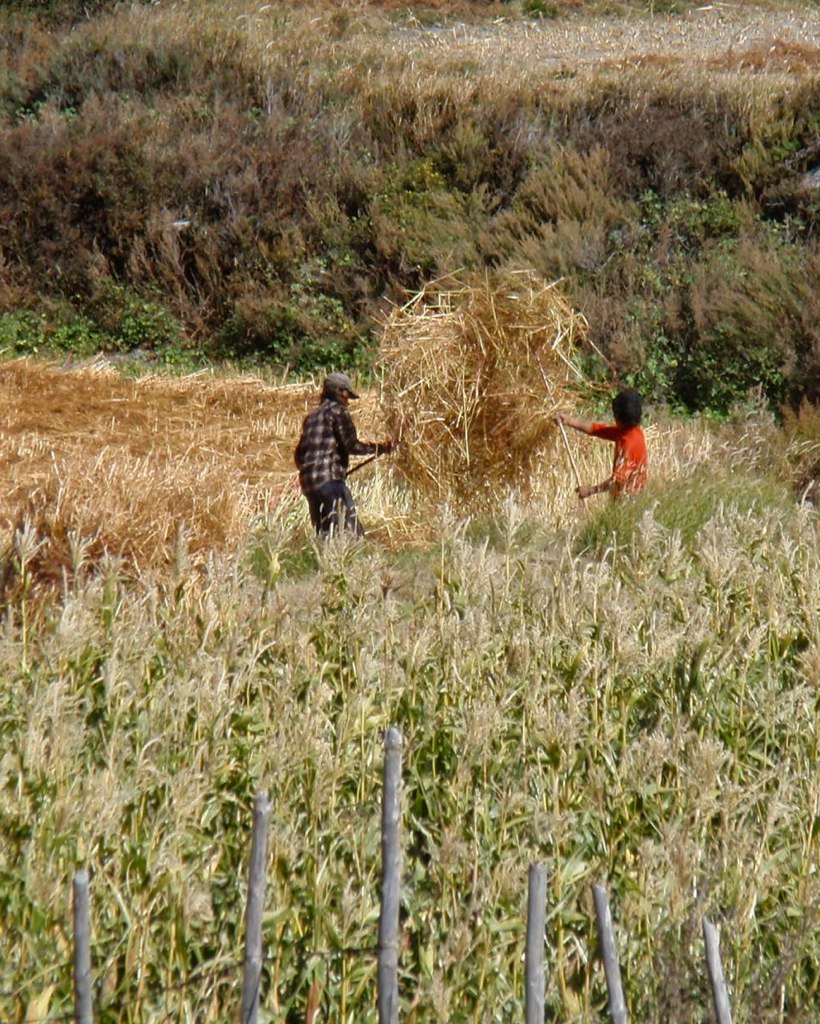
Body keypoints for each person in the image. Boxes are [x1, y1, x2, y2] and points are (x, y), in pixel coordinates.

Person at [294, 371, 395, 536]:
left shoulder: (311, 417)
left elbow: (299, 455)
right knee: (350, 534)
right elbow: (351, 445)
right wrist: (381, 448)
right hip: (329, 482)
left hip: (308, 484)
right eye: (347, 396)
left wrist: (311, 470)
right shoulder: (338, 412)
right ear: (341, 392)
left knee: (326, 535)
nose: (347, 402)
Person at [556, 388, 648, 499]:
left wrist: (590, 490)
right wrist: (570, 421)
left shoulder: (629, 444)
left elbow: (617, 481)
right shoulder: (630, 431)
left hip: (629, 499)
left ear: (618, 418)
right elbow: (596, 429)